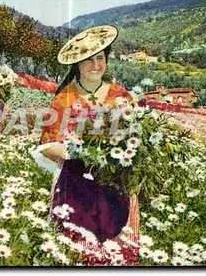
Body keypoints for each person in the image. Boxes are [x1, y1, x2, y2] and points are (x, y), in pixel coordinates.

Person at [33, 25, 140, 266]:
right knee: (78, 253)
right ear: (77, 65)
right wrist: (81, 153)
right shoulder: (64, 100)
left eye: (100, 58)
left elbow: (137, 139)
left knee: (116, 252)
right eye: (88, 60)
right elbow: (47, 145)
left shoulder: (122, 96)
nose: (95, 66)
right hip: (76, 187)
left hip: (116, 186)